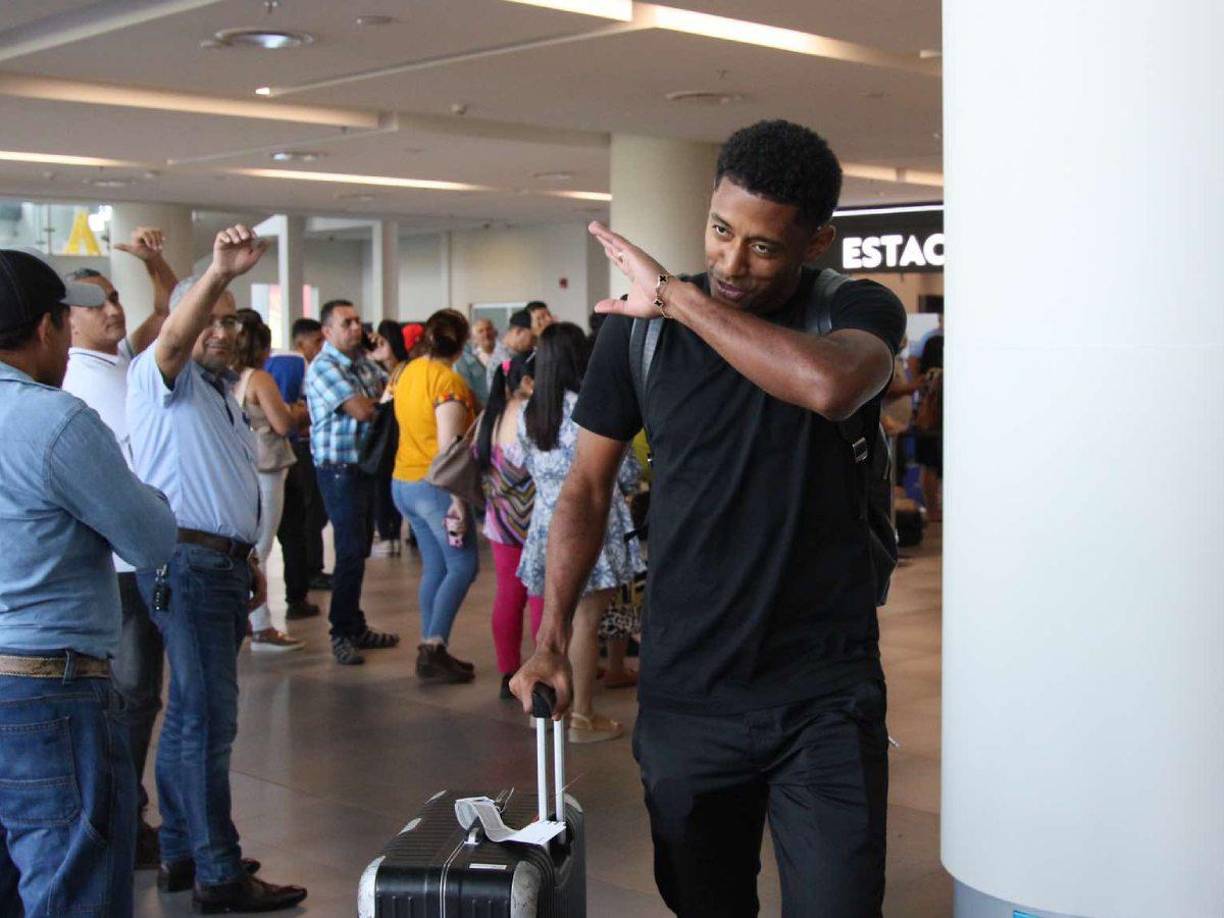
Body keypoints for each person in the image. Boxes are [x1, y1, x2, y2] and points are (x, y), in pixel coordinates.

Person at [512, 120, 906, 916]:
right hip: (687, 689)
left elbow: (831, 387)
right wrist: (550, 639)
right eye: (720, 231)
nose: (730, 263)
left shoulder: (852, 309)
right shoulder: (639, 333)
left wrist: (678, 300)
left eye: (762, 247)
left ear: (816, 242)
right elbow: (585, 487)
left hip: (824, 692)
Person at [127, 225, 308, 912]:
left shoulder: (217, 393)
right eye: (209, 318)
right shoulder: (161, 377)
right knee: (206, 724)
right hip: (191, 566)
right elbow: (174, 332)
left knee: (188, 720)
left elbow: (223, 488)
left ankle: (182, 852)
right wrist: (218, 274)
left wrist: (250, 558)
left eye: (229, 321)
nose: (220, 330)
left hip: (217, 564)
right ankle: (218, 870)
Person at [0, 248, 177, 916]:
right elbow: (151, 538)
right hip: (47, 692)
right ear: (49, 328)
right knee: (71, 888)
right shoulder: (55, 420)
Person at [58, 225, 179, 868]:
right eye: (97, 302)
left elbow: (172, 310)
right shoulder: (71, 380)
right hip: (119, 564)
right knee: (131, 696)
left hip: (145, 554)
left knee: (143, 695)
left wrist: (154, 262)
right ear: (66, 321)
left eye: (114, 297)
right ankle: (121, 820)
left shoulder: (123, 359)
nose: (113, 308)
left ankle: (128, 813)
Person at [516, 322, 643, 744]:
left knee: (554, 622)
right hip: (590, 523)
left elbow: (523, 465)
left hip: (544, 522)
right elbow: (624, 472)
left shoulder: (529, 413)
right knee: (586, 624)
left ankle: (551, 705)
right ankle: (583, 716)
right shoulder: (587, 410)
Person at [304, 299, 400, 665]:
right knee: (348, 551)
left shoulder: (361, 362)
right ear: (327, 331)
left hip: (362, 467)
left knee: (358, 549)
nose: (357, 328)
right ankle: (341, 631)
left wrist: (388, 361)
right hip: (338, 469)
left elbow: (394, 392)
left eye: (358, 321)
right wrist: (380, 404)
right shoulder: (324, 367)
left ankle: (355, 624)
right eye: (347, 323)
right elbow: (362, 410)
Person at [391, 309, 480, 684]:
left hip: (404, 482)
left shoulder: (408, 371)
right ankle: (433, 646)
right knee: (463, 565)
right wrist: (458, 502)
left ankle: (432, 645)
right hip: (435, 488)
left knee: (437, 567)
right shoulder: (448, 383)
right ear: (462, 343)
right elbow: (449, 451)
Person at [232, 312, 306, 652]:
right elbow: (282, 424)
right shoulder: (259, 378)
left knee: (250, 541)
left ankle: (247, 618)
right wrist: (297, 412)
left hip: (242, 464)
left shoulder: (226, 378)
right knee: (261, 545)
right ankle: (261, 627)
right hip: (267, 466)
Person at [475, 352, 536, 700]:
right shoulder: (534, 415)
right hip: (537, 522)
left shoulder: (490, 416)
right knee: (540, 596)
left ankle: (507, 670)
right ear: (527, 381)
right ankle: (541, 668)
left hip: (500, 521)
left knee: (508, 595)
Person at [268, 317, 330, 618]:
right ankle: (306, 579)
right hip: (290, 451)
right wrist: (299, 414)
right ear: (300, 342)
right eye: (317, 341)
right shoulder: (294, 363)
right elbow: (290, 416)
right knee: (302, 518)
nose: (321, 347)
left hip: (283, 451)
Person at [370, 318, 409, 556]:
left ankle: (389, 535)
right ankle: (389, 535)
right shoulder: (381, 369)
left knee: (384, 486)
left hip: (393, 438)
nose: (377, 347)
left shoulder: (402, 370)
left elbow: (385, 403)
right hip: (392, 437)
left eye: (381, 342)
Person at [485, 308, 534, 392]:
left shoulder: (519, 354)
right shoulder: (503, 360)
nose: (533, 344)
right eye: (533, 338)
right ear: (518, 331)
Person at [456, 316, 497, 407]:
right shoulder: (469, 360)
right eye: (481, 331)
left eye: (488, 329)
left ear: (495, 332)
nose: (486, 334)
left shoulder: (505, 356)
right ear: (474, 337)